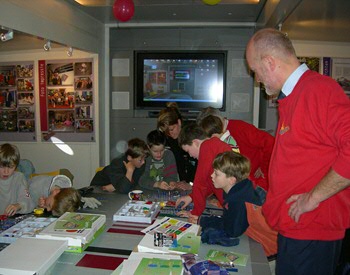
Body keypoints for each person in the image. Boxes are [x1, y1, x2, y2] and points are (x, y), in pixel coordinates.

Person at [246, 28, 350, 275]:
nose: (257, 79)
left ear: (269, 62)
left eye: (255, 71)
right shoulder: (294, 96)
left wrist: (313, 198)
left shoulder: (317, 90)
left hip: (310, 232)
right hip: (296, 229)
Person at [200, 151, 277, 265]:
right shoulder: (241, 188)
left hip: (268, 253)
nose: (212, 175)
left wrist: (202, 220)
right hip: (260, 245)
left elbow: (232, 230)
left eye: (216, 173)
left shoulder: (239, 199)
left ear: (231, 180)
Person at [197, 107, 274, 191]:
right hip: (240, 184)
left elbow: (270, 142)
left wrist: (264, 167)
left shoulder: (240, 128)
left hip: (256, 184)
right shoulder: (218, 138)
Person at [175, 123, 232, 224]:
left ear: (196, 142)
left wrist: (195, 213)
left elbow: (199, 183)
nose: (190, 155)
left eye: (188, 150)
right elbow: (209, 184)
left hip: (236, 203)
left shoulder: (206, 146)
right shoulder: (214, 146)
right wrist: (191, 196)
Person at [157, 102, 197, 184]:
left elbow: (196, 164)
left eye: (172, 129)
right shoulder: (168, 137)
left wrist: (191, 184)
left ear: (179, 122)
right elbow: (178, 162)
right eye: (167, 132)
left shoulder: (192, 134)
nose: (170, 134)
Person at [29, 174, 100, 217]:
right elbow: (24, 203)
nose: (48, 209)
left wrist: (79, 201)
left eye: (50, 206)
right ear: (55, 192)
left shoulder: (62, 190)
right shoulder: (35, 187)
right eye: (50, 206)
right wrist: (36, 204)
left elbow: (67, 199)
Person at [0, 143, 33, 216]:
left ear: (16, 166)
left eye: (10, 167)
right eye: (2, 167)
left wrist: (18, 205)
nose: (6, 171)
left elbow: (27, 200)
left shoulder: (19, 178)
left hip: (12, 219)